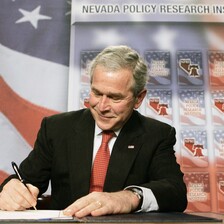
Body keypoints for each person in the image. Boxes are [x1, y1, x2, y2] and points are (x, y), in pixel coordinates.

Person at [0, 45, 187, 217]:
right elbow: (25, 181)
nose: (102, 106)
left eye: (115, 97)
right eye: (97, 93)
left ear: (139, 98)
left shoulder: (156, 135)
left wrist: (129, 197)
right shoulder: (57, 128)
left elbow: (175, 192)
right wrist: (10, 190)